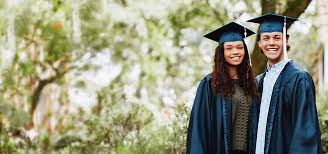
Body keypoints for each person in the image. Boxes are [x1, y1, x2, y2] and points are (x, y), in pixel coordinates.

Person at [247, 13, 323, 154]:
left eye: (277, 37)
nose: (271, 43)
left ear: (286, 40)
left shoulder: (299, 79)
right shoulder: (259, 81)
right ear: (259, 43)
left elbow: (305, 133)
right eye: (266, 38)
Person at [186, 22, 259, 154]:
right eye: (229, 48)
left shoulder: (250, 83)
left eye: (239, 47)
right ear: (222, 52)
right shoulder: (210, 84)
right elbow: (199, 127)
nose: (235, 52)